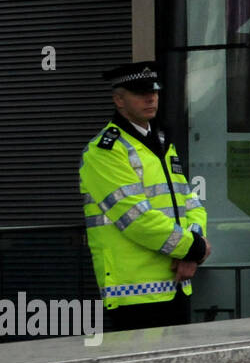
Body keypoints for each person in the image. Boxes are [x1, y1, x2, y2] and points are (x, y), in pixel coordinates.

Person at [79, 62, 210, 331]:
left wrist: (191, 251)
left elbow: (191, 203)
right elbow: (136, 218)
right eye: (140, 93)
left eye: (154, 92)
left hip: (176, 284)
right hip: (134, 292)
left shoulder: (162, 144)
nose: (150, 98)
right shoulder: (105, 151)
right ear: (119, 100)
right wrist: (192, 248)